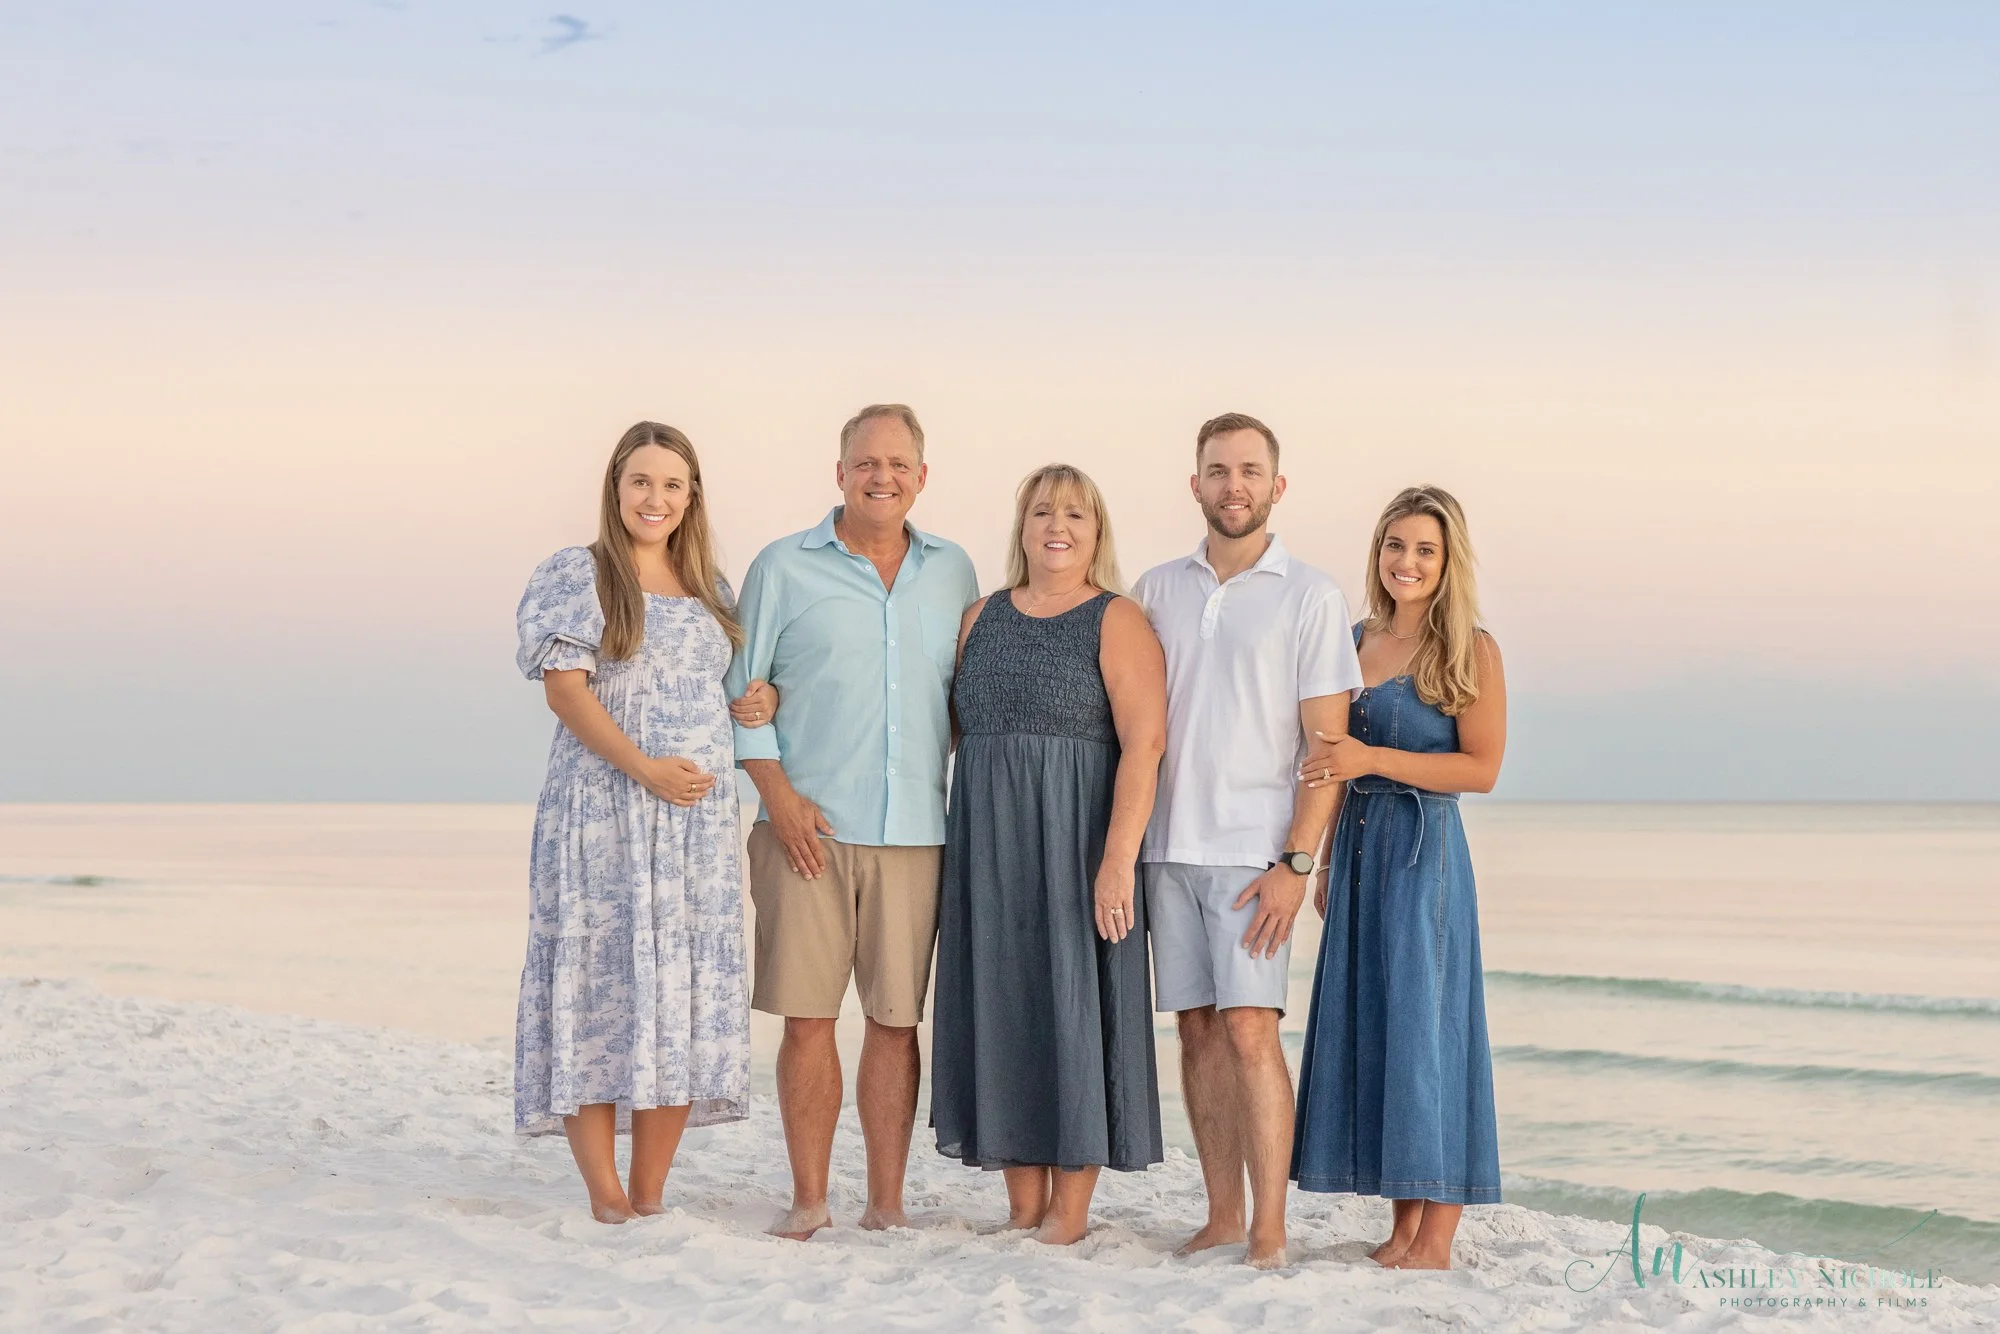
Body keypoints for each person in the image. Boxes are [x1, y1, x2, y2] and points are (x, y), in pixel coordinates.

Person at [723, 403, 980, 1240]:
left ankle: (887, 1201)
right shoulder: (782, 567)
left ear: (922, 477)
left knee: (896, 1023)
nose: (882, 476)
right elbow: (741, 697)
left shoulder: (954, 572)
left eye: (899, 464)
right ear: (840, 473)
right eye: (866, 462)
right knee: (806, 1021)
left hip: (917, 831)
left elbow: (970, 695)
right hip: (807, 832)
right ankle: (809, 1198)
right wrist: (783, 799)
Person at [512, 421, 763, 1224]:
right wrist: (645, 768)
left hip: (696, 833)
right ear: (616, 487)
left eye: (673, 485)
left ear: (693, 498)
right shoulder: (578, 574)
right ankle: (607, 1196)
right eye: (642, 482)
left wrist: (759, 702)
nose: (656, 499)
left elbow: (725, 692)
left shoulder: (712, 587)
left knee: (679, 996)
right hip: (604, 817)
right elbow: (566, 689)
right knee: (598, 988)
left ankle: (652, 1194)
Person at [1132, 413, 1363, 1269]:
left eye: (1251, 471)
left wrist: (1295, 862)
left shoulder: (1311, 595)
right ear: (1195, 484)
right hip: (1166, 846)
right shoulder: (1155, 589)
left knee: (1251, 1033)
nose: (1235, 485)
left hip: (1252, 855)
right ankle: (1222, 1213)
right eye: (1219, 470)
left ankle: (1271, 1228)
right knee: (1195, 1031)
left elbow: (1326, 750)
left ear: (1277, 486)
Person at [928, 464, 1168, 1244]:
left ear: (1096, 531)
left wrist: (1116, 859)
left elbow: (1146, 745)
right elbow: (956, 735)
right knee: (1004, 1007)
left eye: (1074, 513)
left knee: (1073, 1007)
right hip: (988, 844)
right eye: (1041, 511)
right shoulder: (978, 618)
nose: (1056, 525)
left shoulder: (1117, 618)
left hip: (1076, 841)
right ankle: (1023, 1207)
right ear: (1021, 527)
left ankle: (1070, 1212)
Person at [1290, 484, 1506, 1270]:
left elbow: (1481, 769)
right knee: (1382, 1026)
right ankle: (1403, 1221)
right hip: (1361, 851)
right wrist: (1323, 858)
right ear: (1377, 553)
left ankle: (1438, 1236)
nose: (1406, 562)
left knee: (1429, 1032)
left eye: (1424, 549)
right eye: (1395, 546)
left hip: (1425, 857)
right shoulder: (1352, 640)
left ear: (1448, 562)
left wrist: (1374, 759)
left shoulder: (1470, 650)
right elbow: (1329, 767)